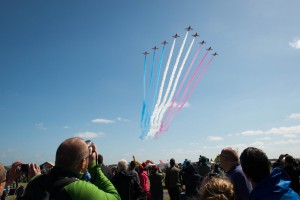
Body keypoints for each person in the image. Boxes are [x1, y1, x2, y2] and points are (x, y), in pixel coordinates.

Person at [21, 137, 120, 199]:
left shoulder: (34, 182)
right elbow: (115, 197)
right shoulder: (79, 188)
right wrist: (93, 165)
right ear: (83, 163)